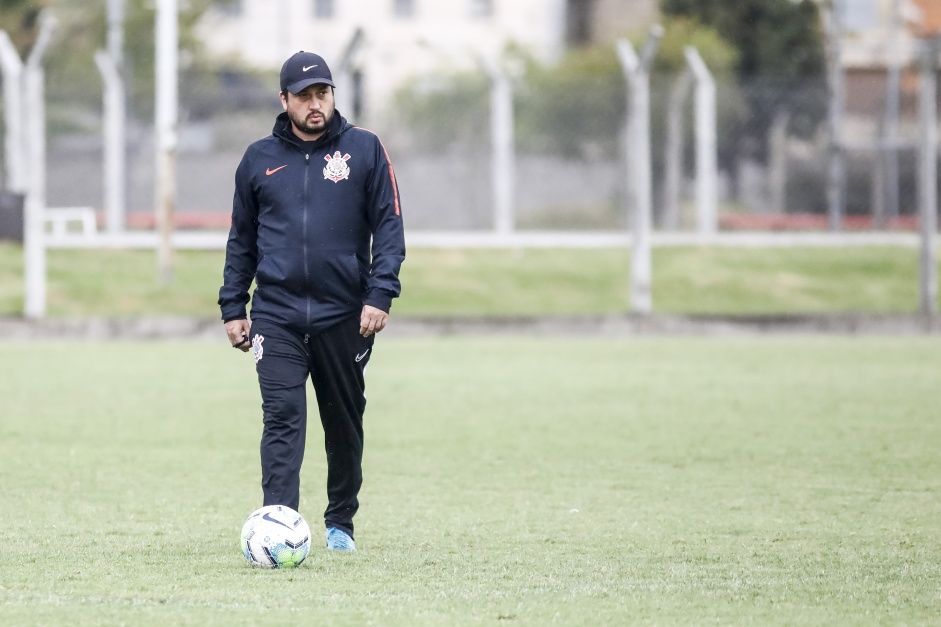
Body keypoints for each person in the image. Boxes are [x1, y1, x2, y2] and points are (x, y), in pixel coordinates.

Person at [218, 51, 405, 552]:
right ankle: (278, 526)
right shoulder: (258, 159)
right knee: (282, 417)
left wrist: (380, 293)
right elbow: (242, 239)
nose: (315, 104)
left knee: (343, 419)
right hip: (275, 315)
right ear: (284, 101)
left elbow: (389, 227)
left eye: (322, 93)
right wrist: (234, 306)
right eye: (303, 96)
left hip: (345, 314)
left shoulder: (364, 150)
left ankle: (340, 520)